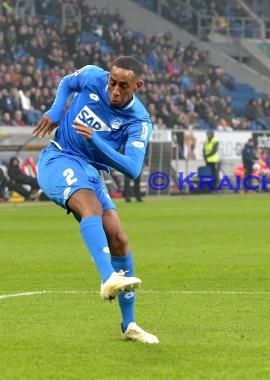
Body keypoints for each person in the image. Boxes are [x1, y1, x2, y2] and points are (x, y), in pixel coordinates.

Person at [32, 56, 159, 344]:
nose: (114, 90)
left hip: (91, 172)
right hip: (59, 158)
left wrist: (97, 140)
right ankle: (108, 278)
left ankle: (129, 324)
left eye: (123, 86)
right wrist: (55, 111)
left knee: (119, 238)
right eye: (113, 83)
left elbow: (133, 168)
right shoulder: (92, 76)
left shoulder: (138, 121)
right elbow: (67, 81)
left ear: (138, 86)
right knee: (89, 205)